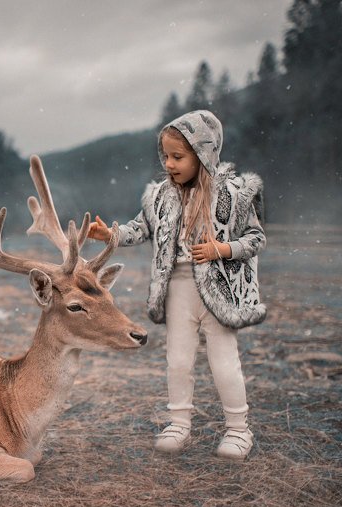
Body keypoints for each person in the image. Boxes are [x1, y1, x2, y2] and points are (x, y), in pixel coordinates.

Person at [88, 110, 266, 459]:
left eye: (178, 157)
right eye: (165, 156)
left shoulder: (232, 194)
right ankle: (179, 422)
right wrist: (111, 234)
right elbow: (140, 228)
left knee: (224, 362)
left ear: (204, 154)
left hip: (219, 290)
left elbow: (256, 239)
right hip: (178, 289)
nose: (169, 164)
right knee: (178, 360)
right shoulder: (161, 197)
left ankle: (238, 430)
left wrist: (223, 249)